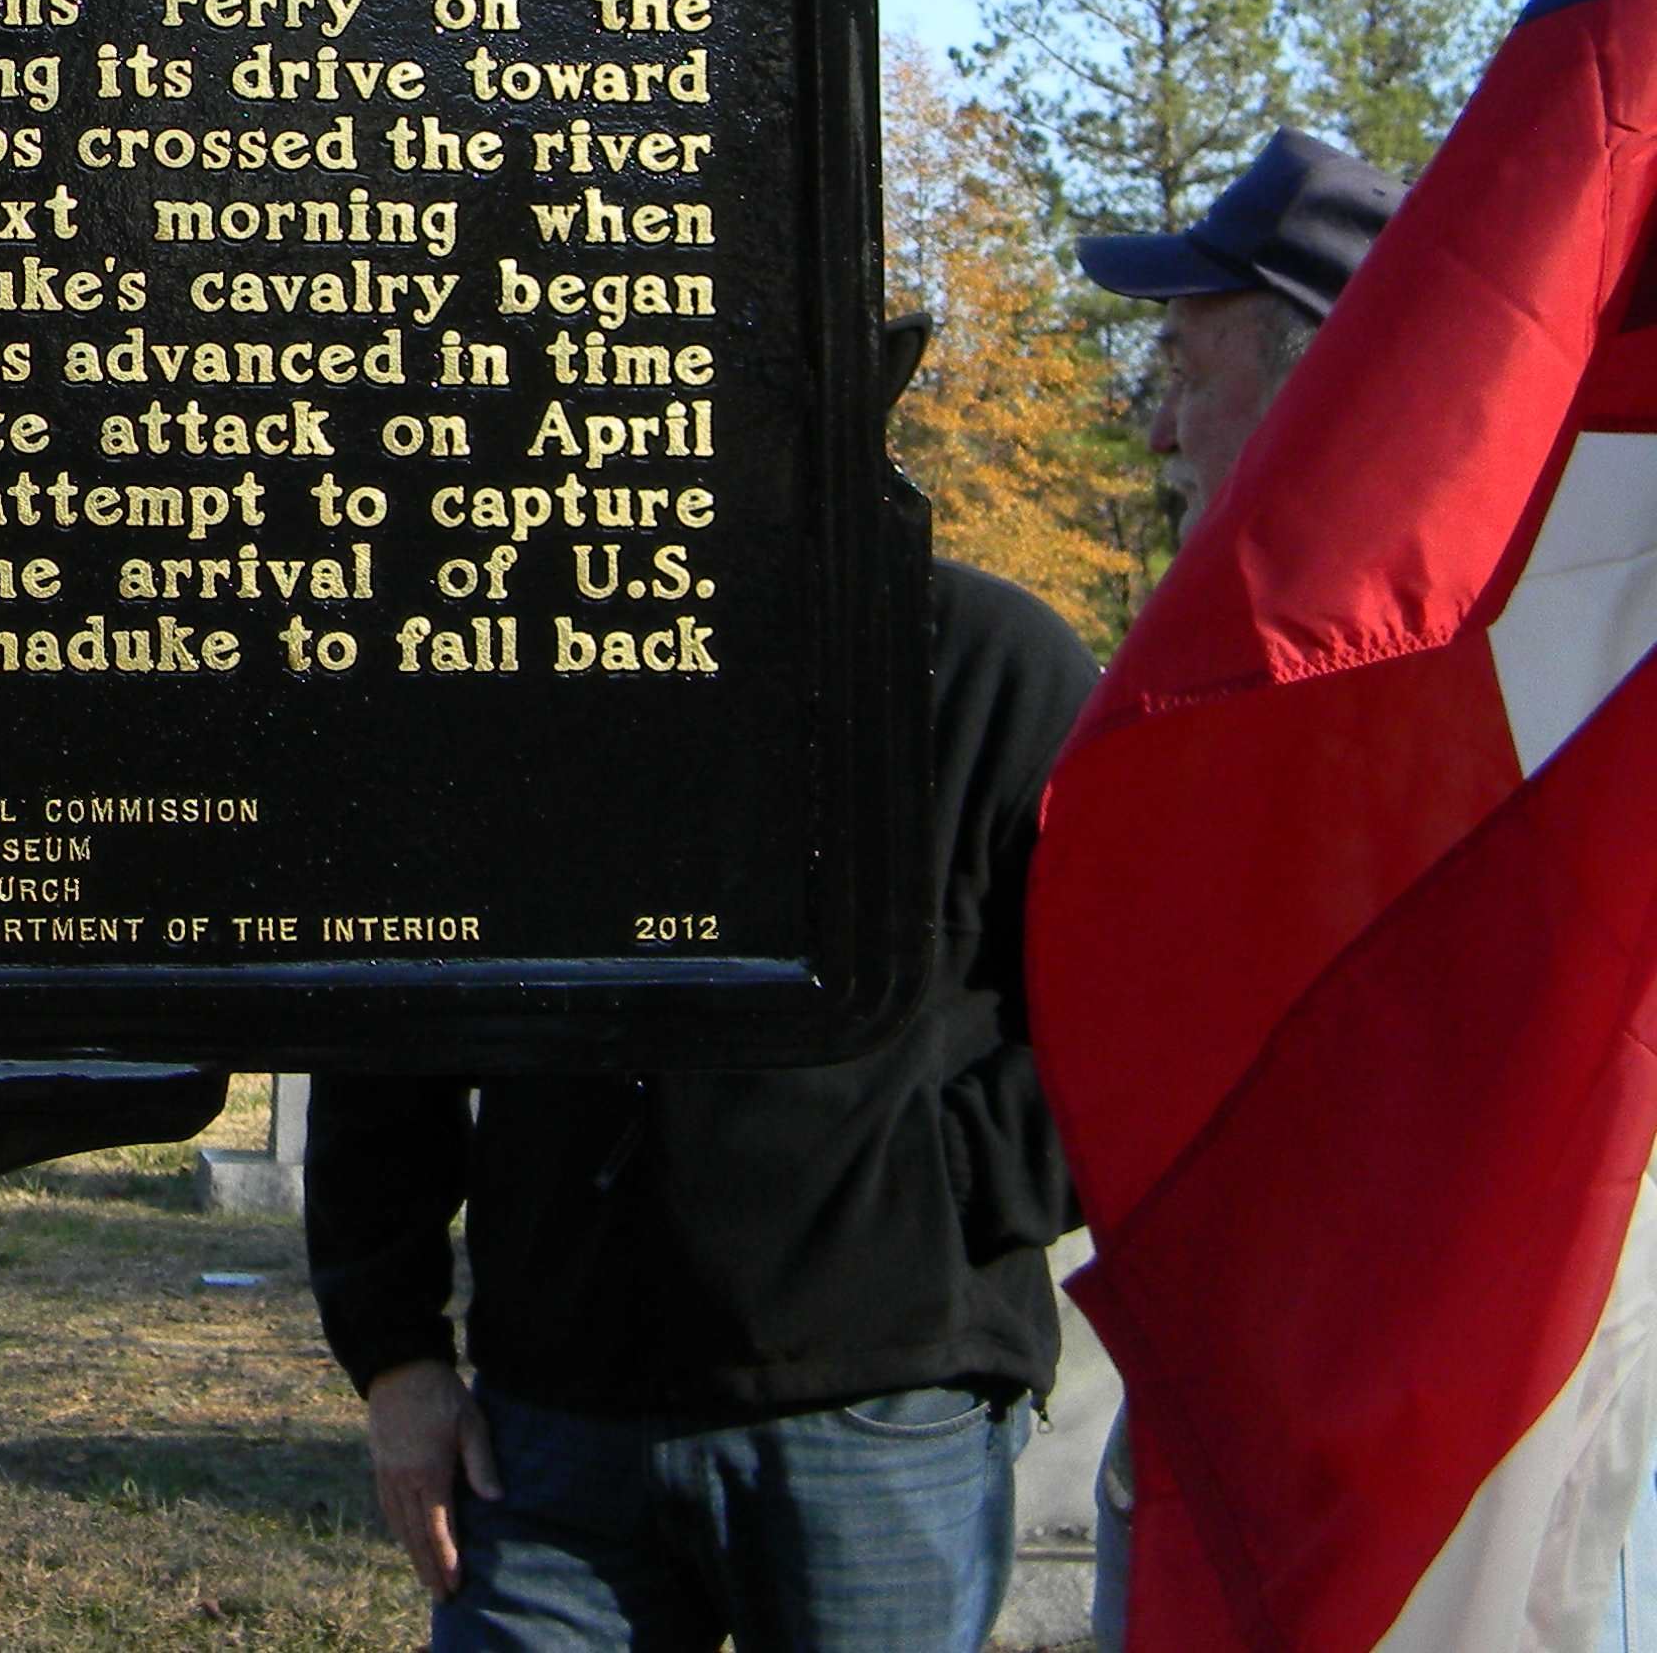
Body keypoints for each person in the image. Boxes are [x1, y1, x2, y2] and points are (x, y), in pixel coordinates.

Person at [304, 551, 1098, 1648]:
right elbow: (390, 1001)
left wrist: (925, 1200)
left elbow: (1135, 1003)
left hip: (884, 1407)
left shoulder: (990, 660)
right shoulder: (499, 649)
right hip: (552, 1424)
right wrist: (393, 1355)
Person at [1069, 124, 1408, 1648]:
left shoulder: (1436, 698)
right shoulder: (1235, 677)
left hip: (1380, 1438)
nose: (1156, 436)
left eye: (1189, 376)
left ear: (1310, 380)